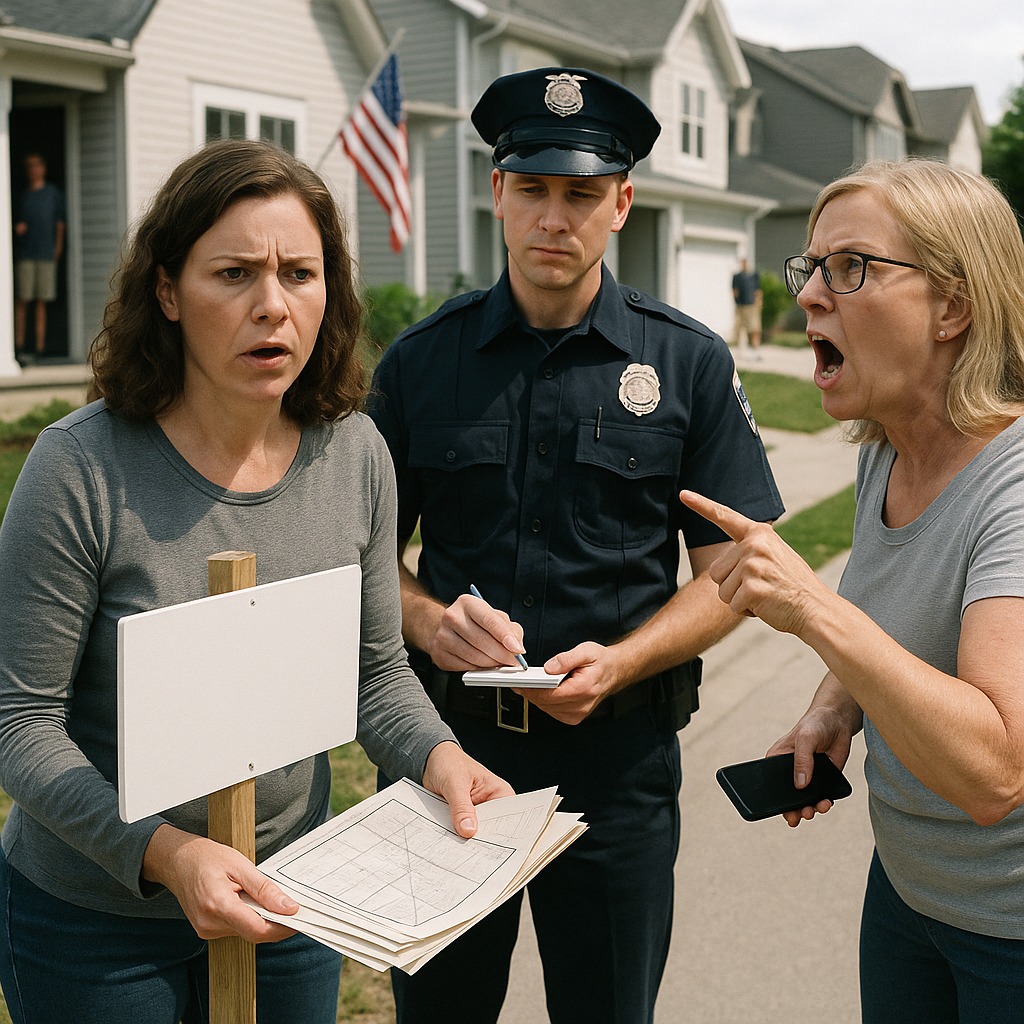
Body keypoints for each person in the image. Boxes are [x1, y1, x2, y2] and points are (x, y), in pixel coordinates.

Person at [0, 139, 512, 1024]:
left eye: (300, 275)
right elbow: (20, 722)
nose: (272, 306)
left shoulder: (356, 456)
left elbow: (376, 670)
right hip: (95, 923)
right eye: (233, 273)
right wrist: (165, 853)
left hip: (290, 897)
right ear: (167, 291)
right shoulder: (79, 469)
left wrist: (443, 758)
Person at [367, 67, 784, 1024]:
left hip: (617, 770)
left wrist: (628, 659)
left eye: (583, 194)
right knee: (442, 1013)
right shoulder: (421, 365)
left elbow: (732, 571)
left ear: (622, 203)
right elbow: (365, 560)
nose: (556, 218)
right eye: (534, 190)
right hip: (448, 759)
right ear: (497, 193)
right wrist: (431, 626)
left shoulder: (686, 362)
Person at [681, 159, 1024, 1023]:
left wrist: (811, 609)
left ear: (953, 305)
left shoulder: (1014, 485)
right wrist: (834, 711)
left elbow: (997, 772)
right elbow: (889, 619)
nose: (808, 297)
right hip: (908, 895)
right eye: (812, 268)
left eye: (852, 268)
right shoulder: (887, 450)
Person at [13, 152, 66, 362]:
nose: (32, 170)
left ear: (43, 168)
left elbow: (60, 224)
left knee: (42, 301)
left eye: (36, 165)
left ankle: (40, 347)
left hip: (45, 253)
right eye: (29, 166)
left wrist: (58, 248)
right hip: (26, 253)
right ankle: (18, 346)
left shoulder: (52, 193)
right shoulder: (23, 195)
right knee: (23, 299)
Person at [730, 257, 762, 356]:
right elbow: (734, 291)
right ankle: (740, 350)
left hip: (751, 306)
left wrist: (759, 304)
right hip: (740, 306)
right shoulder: (737, 276)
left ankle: (756, 349)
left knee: (754, 328)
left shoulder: (754, 276)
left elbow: (758, 291)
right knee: (740, 328)